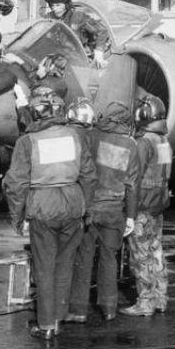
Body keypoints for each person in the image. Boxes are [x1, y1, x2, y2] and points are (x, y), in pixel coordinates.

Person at [3, 91, 96, 341]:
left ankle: (45, 325)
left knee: (44, 267)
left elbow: (16, 183)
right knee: (65, 265)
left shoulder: (27, 141)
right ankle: (57, 319)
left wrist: (18, 217)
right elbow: (89, 175)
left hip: (43, 207)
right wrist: (86, 209)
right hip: (73, 205)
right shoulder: (76, 136)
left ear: (35, 114)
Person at [66, 101, 141, 323]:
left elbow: (81, 172)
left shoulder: (91, 136)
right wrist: (131, 216)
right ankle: (109, 308)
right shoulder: (131, 145)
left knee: (84, 257)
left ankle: (78, 310)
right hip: (115, 210)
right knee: (109, 259)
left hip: (90, 207)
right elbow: (132, 185)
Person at [120, 94, 172, 317]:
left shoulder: (143, 143)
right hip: (158, 204)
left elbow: (133, 179)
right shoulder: (163, 141)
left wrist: (129, 214)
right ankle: (160, 298)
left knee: (140, 256)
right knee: (156, 252)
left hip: (142, 207)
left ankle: (145, 303)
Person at [44, 0, 110, 66]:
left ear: (67, 4)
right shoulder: (48, 18)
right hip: (56, 58)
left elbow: (102, 30)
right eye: (52, 5)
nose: (54, 9)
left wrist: (99, 52)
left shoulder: (77, 16)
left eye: (58, 5)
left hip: (76, 59)